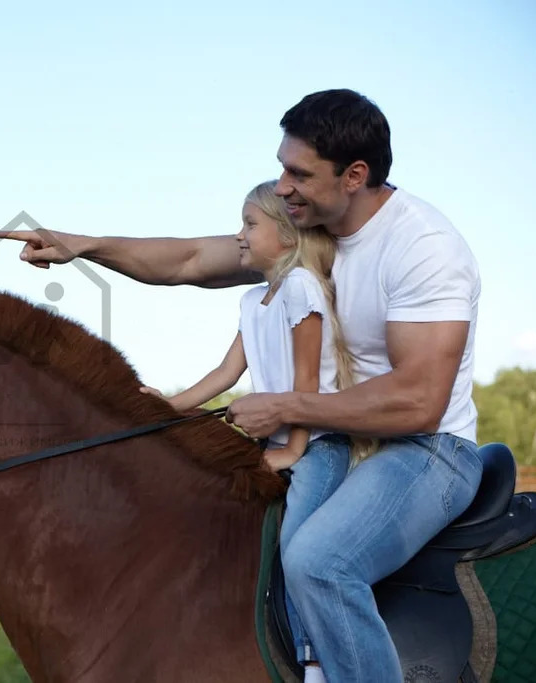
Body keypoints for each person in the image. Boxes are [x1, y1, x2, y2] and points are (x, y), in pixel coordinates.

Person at [0, 89, 483, 683]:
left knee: (319, 563)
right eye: (282, 167)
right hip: (334, 436)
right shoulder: (308, 240)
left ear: (355, 175)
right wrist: (85, 247)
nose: (281, 186)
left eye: (299, 173)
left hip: (425, 451)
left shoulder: (423, 247)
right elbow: (188, 261)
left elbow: (419, 401)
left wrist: (284, 407)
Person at [140, 180, 356, 682]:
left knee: (302, 550)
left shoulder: (302, 287)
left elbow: (306, 383)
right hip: (276, 443)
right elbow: (226, 374)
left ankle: (317, 664)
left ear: (285, 233)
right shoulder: (252, 300)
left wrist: (295, 449)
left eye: (249, 225)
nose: (239, 237)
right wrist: (166, 407)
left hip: (319, 444)